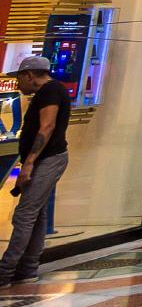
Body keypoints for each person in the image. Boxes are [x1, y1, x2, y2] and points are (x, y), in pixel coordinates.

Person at [0, 57, 69, 284]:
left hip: (47, 160)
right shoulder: (50, 91)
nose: (18, 84)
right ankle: (28, 268)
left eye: (19, 78)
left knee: (24, 214)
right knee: (37, 214)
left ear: (29, 75)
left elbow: (46, 126)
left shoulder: (50, 91)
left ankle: (5, 271)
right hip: (46, 159)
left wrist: (28, 163)